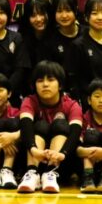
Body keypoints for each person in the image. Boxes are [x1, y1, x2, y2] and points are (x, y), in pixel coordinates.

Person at [17, 61, 83, 194]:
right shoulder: (29, 101)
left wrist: (62, 154)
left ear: (60, 85)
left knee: (60, 124)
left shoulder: (72, 105)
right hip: (34, 156)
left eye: (51, 80)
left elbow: (75, 134)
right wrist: (34, 150)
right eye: (40, 80)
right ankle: (32, 173)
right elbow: (26, 126)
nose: (45, 84)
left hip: (61, 162)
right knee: (40, 125)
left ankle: (50, 173)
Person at [19, 0, 53, 68]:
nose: (38, 19)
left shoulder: (56, 37)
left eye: (42, 14)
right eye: (33, 15)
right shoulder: (22, 40)